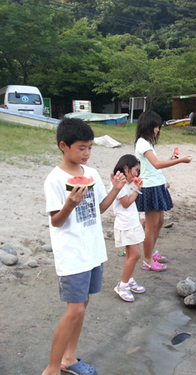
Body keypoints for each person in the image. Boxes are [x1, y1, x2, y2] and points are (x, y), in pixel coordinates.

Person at [42, 118, 126, 375]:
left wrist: (115, 189)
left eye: (90, 147)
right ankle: (52, 369)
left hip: (92, 251)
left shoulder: (91, 174)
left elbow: (99, 208)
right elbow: (56, 221)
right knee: (75, 309)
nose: (87, 153)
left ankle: (70, 357)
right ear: (63, 146)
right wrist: (69, 205)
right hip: (72, 253)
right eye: (81, 148)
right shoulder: (54, 179)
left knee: (83, 306)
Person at [134, 111, 192, 271]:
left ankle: (151, 252)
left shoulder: (147, 143)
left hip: (157, 184)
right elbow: (157, 164)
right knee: (151, 226)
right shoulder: (142, 143)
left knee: (159, 223)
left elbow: (153, 166)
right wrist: (180, 161)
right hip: (150, 187)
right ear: (148, 126)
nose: (158, 130)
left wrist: (168, 168)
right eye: (156, 127)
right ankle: (147, 260)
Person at [112, 155, 146, 302]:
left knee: (130, 255)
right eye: (136, 171)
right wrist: (137, 190)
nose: (137, 174)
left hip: (130, 224)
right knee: (136, 255)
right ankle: (123, 285)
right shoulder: (119, 186)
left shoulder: (125, 185)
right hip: (126, 226)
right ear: (126, 169)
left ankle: (129, 280)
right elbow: (126, 203)